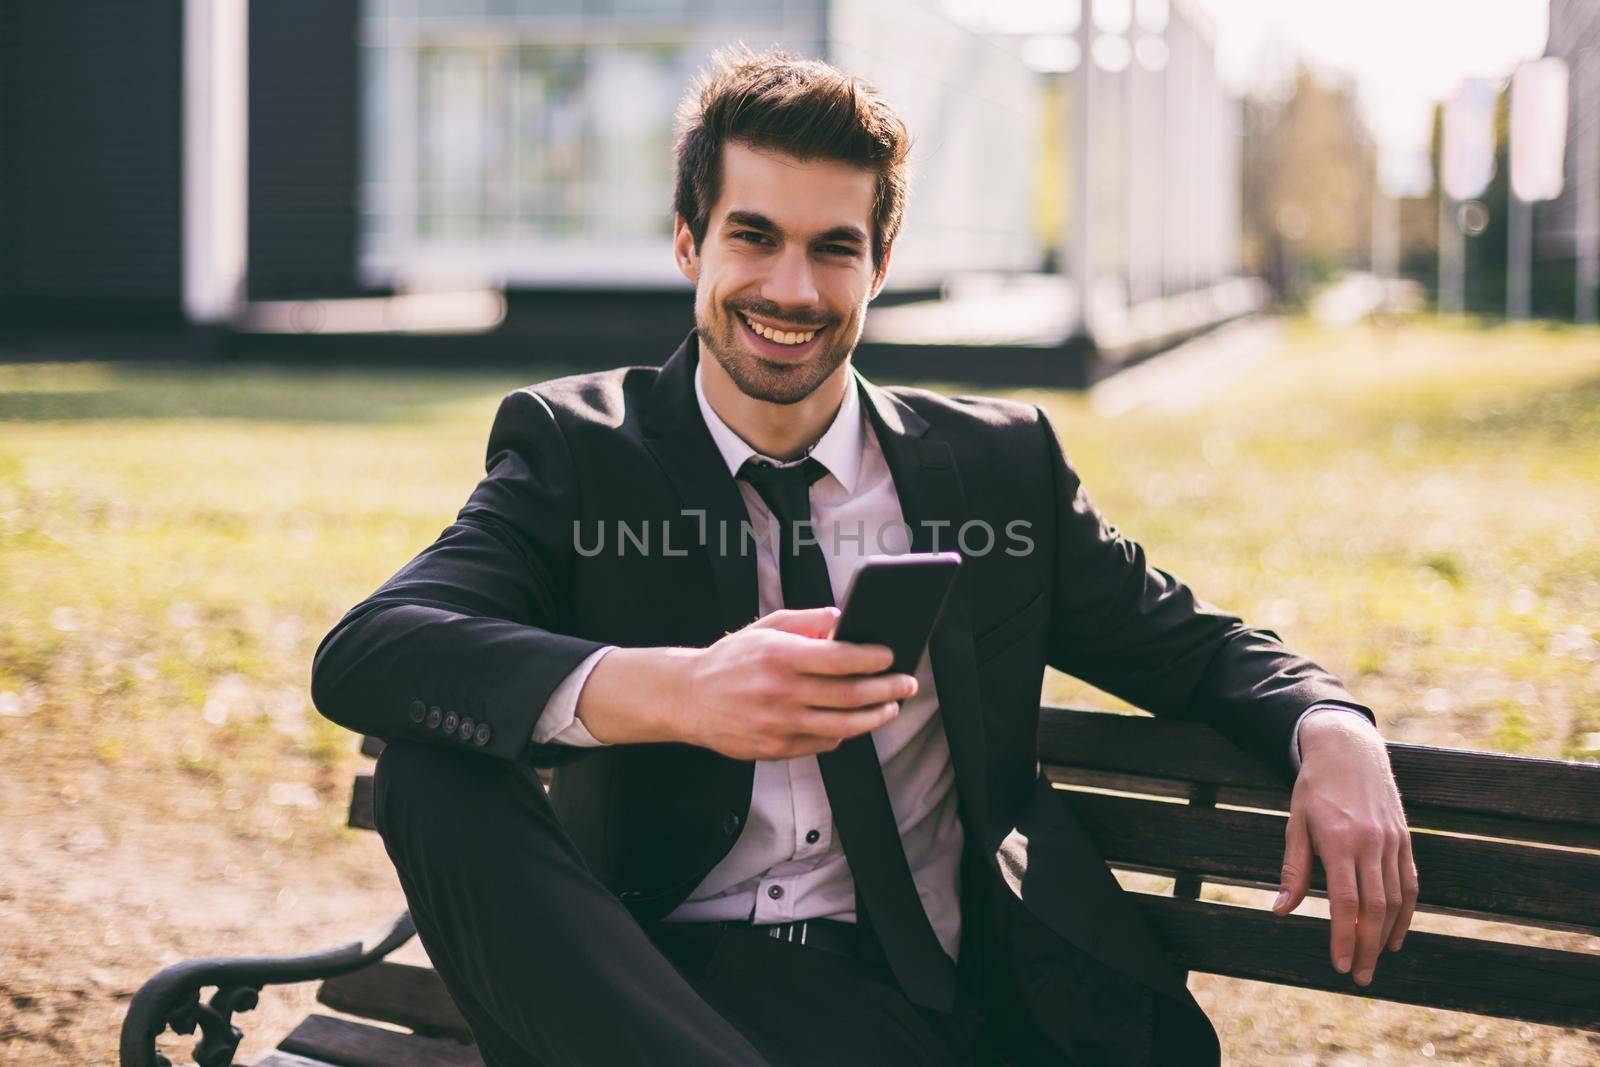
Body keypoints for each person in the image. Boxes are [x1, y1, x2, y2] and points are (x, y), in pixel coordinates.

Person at [311, 46, 1418, 1067]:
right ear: (690, 242)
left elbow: (1188, 645)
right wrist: (677, 691)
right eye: (753, 236)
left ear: (880, 262)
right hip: (677, 993)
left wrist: (1327, 723)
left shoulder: (997, 468)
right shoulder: (578, 455)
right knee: (428, 768)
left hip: (942, 994)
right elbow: (370, 651)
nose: (791, 291)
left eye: (833, 247)